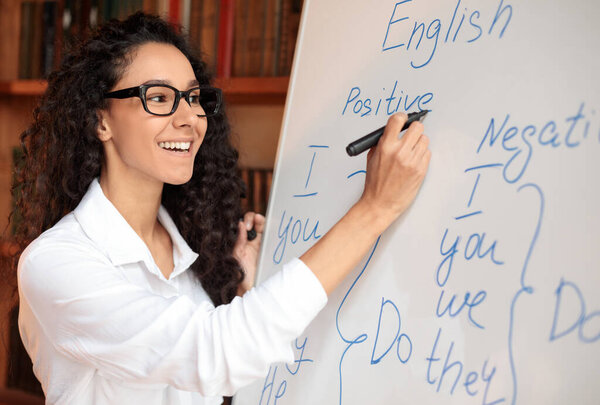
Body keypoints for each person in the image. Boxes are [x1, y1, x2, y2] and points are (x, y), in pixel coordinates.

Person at [10, 12, 430, 405]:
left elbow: (228, 376)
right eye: (158, 97)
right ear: (100, 120)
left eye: (194, 98)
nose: (189, 118)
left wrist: (244, 293)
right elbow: (214, 353)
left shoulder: (190, 254)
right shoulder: (57, 262)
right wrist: (375, 209)